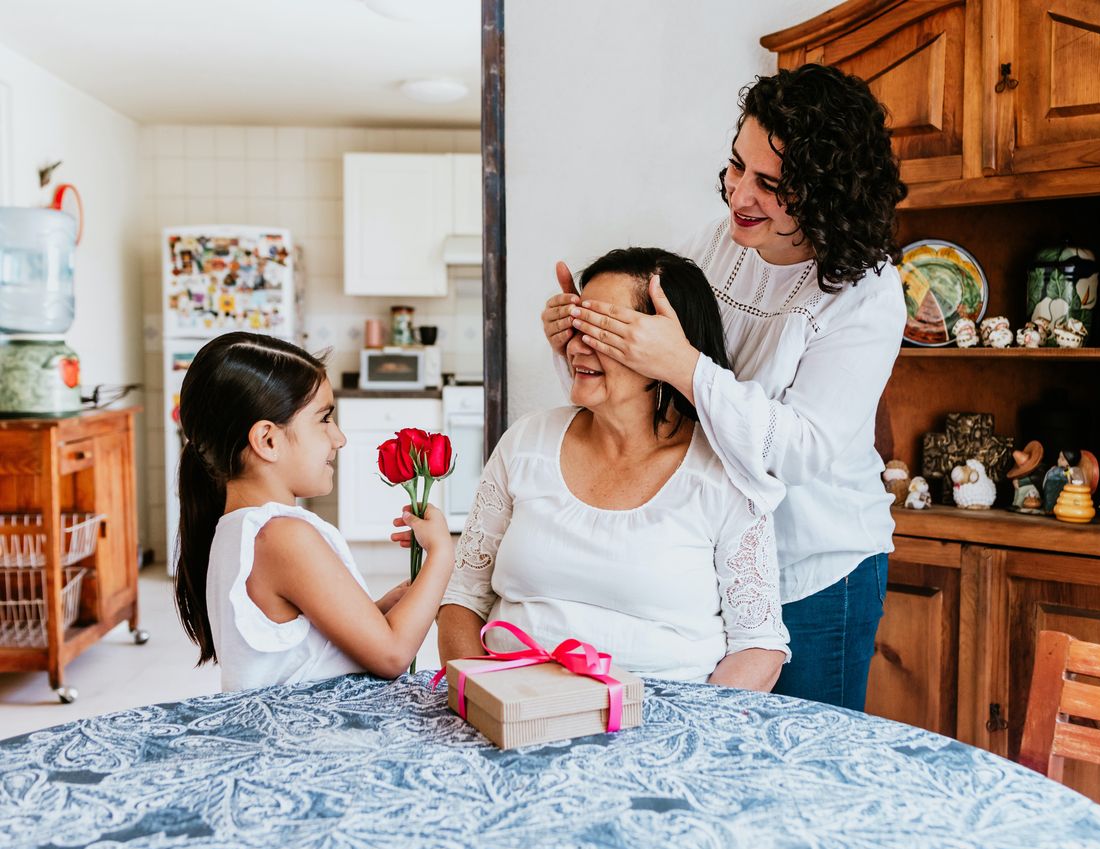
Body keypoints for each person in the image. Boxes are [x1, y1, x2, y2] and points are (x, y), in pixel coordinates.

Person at [542, 64, 907, 711]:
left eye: (769, 184)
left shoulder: (868, 295)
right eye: (737, 167)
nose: (739, 194)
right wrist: (583, 337)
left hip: (814, 565)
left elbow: (798, 448)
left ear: (825, 195)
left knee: (799, 764)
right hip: (720, 552)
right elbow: (645, 382)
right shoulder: (721, 243)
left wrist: (683, 364)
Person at [438, 248, 789, 688]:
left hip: (661, 727)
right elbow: (462, 600)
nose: (578, 345)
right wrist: (482, 702)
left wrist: (687, 742)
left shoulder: (723, 474)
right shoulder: (526, 443)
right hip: (513, 712)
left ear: (667, 350)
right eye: (579, 323)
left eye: (607, 330)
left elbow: (758, 646)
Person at [172, 331, 453, 692]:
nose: (339, 437)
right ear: (268, 440)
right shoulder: (283, 536)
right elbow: (393, 655)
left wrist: (380, 610)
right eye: (324, 419)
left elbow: (302, 649)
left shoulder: (236, 529)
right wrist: (441, 554)